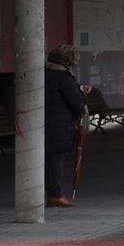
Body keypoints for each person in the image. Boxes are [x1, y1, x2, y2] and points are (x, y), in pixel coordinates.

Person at [44, 44, 89, 207]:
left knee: (47, 159)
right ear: (69, 60)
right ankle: (56, 195)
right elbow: (76, 103)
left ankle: (50, 193)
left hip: (43, 122)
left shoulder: (43, 74)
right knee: (56, 158)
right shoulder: (63, 77)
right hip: (59, 124)